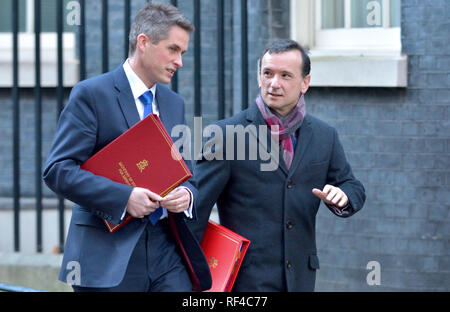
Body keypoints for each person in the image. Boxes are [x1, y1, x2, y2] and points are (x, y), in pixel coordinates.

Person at [43, 2, 211, 292]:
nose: (180, 61)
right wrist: (125, 197)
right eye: (173, 50)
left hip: (165, 251)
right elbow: (58, 171)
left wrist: (185, 195)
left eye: (182, 52)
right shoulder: (92, 94)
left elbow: (188, 176)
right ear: (144, 42)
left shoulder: (174, 103)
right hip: (106, 255)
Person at [189, 39, 366, 292]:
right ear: (259, 78)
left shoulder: (325, 136)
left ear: (305, 82)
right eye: (268, 73)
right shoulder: (225, 135)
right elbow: (196, 209)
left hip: (301, 280)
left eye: (285, 75)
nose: (274, 83)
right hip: (243, 282)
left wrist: (343, 195)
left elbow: (352, 186)